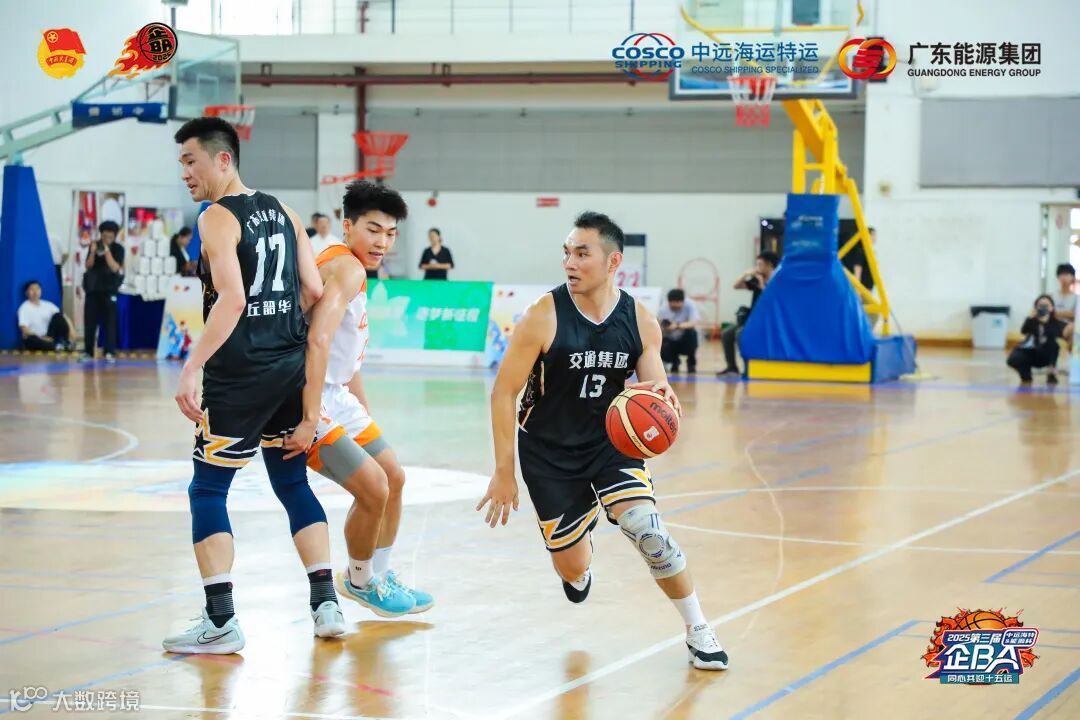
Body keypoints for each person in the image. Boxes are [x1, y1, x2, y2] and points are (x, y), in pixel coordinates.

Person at [477, 211, 728, 671]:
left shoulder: (641, 321)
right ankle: (580, 554)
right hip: (549, 453)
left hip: (612, 444)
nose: (569, 263)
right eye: (566, 253)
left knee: (649, 532)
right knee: (571, 568)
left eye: (582, 253)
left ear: (613, 262)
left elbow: (654, 391)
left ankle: (698, 629)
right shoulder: (542, 316)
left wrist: (664, 399)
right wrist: (503, 472)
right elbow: (503, 393)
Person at [164, 116, 345, 655]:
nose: (185, 173)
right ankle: (326, 606)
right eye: (181, 163)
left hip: (238, 378)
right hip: (288, 369)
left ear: (223, 159)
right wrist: (284, 340)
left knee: (207, 490)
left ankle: (221, 620)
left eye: (191, 161)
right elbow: (312, 290)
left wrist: (192, 366)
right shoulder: (286, 211)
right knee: (292, 485)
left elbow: (233, 299)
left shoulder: (215, 217)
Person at [284, 180, 434, 617]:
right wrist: (309, 417)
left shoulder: (349, 266)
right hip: (306, 394)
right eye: (373, 230)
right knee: (375, 487)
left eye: (390, 233)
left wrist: (362, 408)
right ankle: (360, 579)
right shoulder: (347, 268)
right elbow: (317, 341)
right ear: (347, 226)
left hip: (336, 394)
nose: (382, 242)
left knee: (394, 477)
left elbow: (346, 357)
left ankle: (379, 576)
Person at [717, 251, 779, 377]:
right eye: (757, 265)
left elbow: (770, 299)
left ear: (769, 265)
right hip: (752, 318)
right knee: (727, 333)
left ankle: (748, 365)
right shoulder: (757, 279)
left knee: (740, 333)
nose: (757, 268)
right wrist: (745, 275)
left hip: (767, 320)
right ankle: (732, 368)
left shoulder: (777, 281)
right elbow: (736, 286)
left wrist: (761, 285)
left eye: (760, 265)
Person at [82, 219, 125, 361]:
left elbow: (115, 267)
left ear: (115, 236)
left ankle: (109, 351)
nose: (107, 239)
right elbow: (88, 266)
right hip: (93, 290)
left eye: (110, 236)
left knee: (110, 322)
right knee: (90, 322)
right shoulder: (94, 245)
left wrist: (107, 252)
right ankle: (88, 352)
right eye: (105, 236)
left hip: (109, 290)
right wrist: (92, 252)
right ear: (101, 234)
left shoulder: (118, 249)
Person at [1006, 294, 1070, 385]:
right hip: (1032, 351)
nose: (1043, 308)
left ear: (1052, 308)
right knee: (1013, 359)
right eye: (1040, 305)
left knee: (1054, 345)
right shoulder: (1032, 321)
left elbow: (1061, 333)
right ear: (1036, 308)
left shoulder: (1056, 323)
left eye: (1046, 305)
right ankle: (1026, 374)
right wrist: (1031, 317)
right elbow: (1023, 331)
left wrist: (1045, 323)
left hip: (1046, 355)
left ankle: (1051, 372)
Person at [17, 280, 74, 352]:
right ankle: (57, 346)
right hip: (36, 337)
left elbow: (63, 317)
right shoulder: (24, 308)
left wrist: (71, 330)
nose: (35, 292)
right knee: (30, 339)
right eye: (32, 289)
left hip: (49, 337)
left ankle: (67, 343)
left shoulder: (48, 305)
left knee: (58, 316)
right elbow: (24, 330)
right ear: (26, 292)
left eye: (37, 289)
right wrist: (41, 338)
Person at [658, 288, 700, 374]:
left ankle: (691, 362)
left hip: (684, 338)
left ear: (683, 301)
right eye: (672, 305)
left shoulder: (690, 305)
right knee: (661, 341)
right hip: (669, 338)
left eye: (677, 305)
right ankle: (674, 362)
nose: (674, 307)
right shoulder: (662, 309)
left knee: (692, 333)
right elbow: (658, 326)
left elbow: (694, 323)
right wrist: (664, 328)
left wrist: (677, 326)